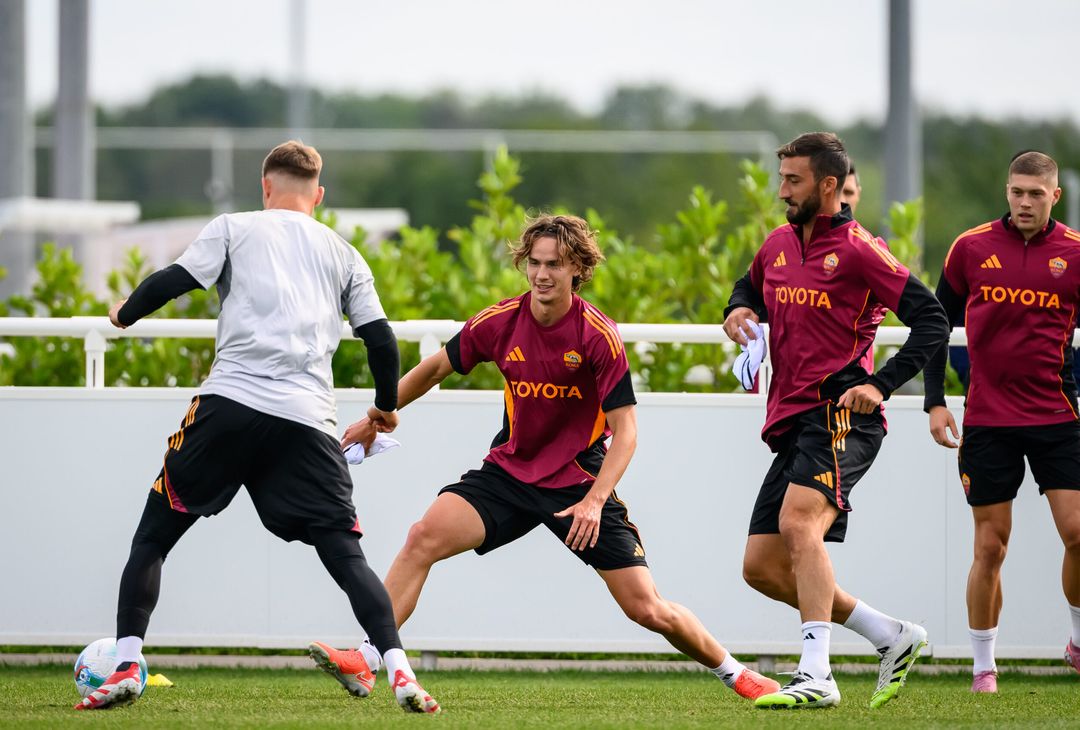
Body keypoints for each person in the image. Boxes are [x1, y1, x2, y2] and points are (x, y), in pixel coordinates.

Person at [311, 214, 781, 701]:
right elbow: (434, 368)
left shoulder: (597, 335)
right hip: (509, 473)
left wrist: (596, 501)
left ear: (577, 267)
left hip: (578, 485)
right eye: (533, 263)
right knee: (421, 538)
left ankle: (737, 674)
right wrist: (378, 414)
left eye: (554, 264)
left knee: (647, 608)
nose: (541, 274)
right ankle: (369, 658)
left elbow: (626, 433)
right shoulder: (500, 321)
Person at [76, 141, 440, 714]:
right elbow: (381, 340)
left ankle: (125, 660)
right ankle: (398, 669)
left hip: (232, 405)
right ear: (318, 196)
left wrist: (123, 315)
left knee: (153, 536)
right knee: (345, 556)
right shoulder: (344, 253)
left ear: (265, 187)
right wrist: (385, 409)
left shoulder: (235, 227)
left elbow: (174, 280)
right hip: (308, 423)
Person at [724, 132, 948, 709]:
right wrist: (738, 309)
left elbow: (931, 319)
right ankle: (888, 635)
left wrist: (881, 384)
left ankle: (817, 677)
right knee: (762, 568)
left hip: (842, 411)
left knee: (800, 525)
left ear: (828, 186)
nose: (781, 191)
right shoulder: (776, 243)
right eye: (781, 178)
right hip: (793, 420)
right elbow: (749, 285)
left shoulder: (859, 249)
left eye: (792, 181)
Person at [924, 150, 1080, 693]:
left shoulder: (1076, 255)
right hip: (988, 420)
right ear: (1006, 191)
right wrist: (934, 401)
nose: (1024, 202)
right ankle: (983, 666)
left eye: (1036, 193)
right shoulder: (971, 248)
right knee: (990, 546)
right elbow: (933, 325)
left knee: (1078, 531)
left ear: (1054, 196)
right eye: (1017, 191)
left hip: (1058, 415)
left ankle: (1078, 642)